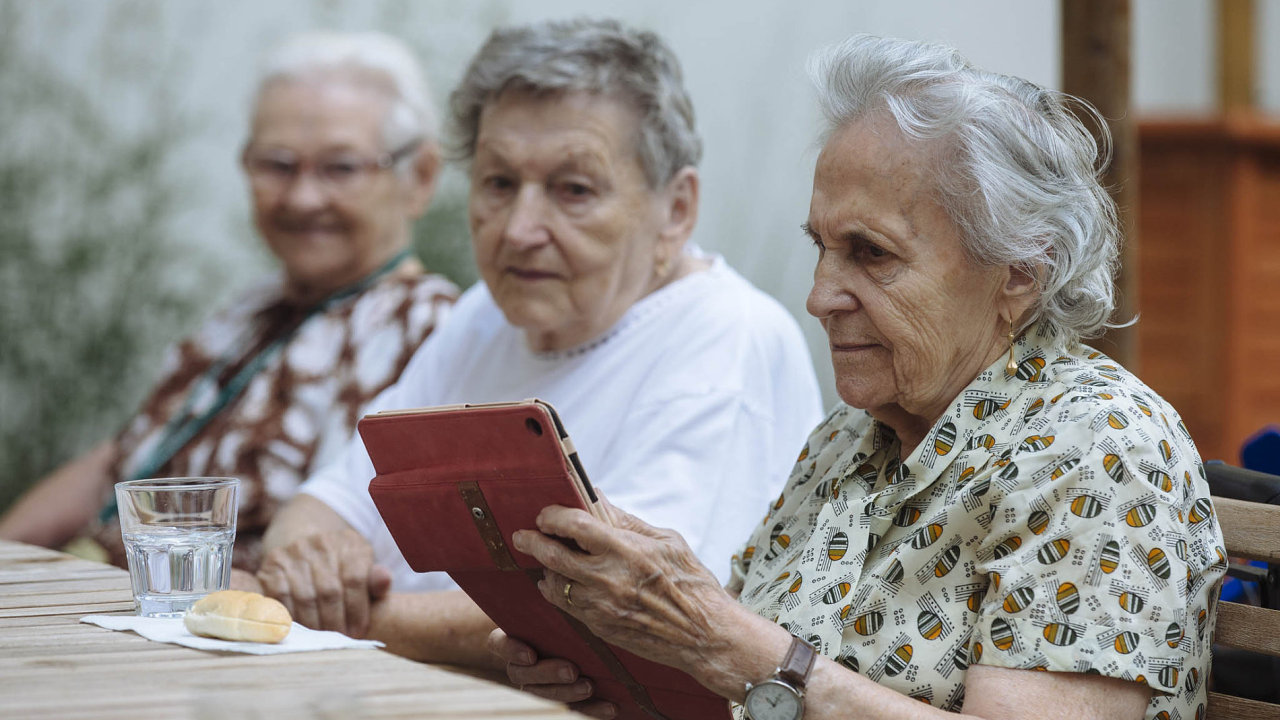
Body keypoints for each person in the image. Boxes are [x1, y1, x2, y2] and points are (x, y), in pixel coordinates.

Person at [493, 34, 1227, 720]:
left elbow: (752, 658)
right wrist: (617, 663)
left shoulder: (1095, 446)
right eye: (822, 246)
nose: (819, 296)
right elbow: (735, 672)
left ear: (1019, 276)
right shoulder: (852, 437)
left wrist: (738, 649)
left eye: (871, 254)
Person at [252, 18, 823, 666]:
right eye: (498, 183)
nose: (520, 229)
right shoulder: (484, 316)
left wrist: (341, 617)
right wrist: (306, 563)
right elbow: (324, 504)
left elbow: (617, 611)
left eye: (573, 190)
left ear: (676, 210)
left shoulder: (727, 338)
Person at [0, 31, 458, 574]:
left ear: (420, 177)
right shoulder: (253, 311)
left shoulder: (429, 328)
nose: (301, 197)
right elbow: (121, 459)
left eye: (341, 168)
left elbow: (353, 556)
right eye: (278, 165)